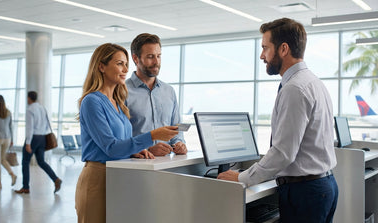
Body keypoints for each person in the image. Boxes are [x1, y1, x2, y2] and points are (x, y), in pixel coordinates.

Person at [217, 18, 338, 223]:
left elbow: (283, 152)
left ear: (283, 49)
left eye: (265, 48)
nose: (262, 55)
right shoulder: (312, 81)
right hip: (322, 185)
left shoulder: (295, 88)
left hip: (305, 192)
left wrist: (242, 177)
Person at [75, 43, 178, 223]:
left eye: (126, 64)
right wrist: (152, 136)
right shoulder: (92, 102)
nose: (125, 70)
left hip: (119, 176)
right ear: (101, 66)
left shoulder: (118, 103)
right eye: (119, 64)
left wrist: (133, 151)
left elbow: (121, 142)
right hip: (98, 179)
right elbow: (111, 147)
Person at [125, 33, 187, 156]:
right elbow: (120, 140)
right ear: (136, 58)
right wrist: (147, 150)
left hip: (167, 164)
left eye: (158, 56)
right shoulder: (122, 91)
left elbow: (176, 130)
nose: (156, 61)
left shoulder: (169, 91)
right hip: (136, 166)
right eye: (150, 57)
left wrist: (179, 143)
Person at [15, 91, 62, 194]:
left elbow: (29, 128)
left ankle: (26, 187)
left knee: (25, 162)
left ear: (29, 98)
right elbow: (46, 125)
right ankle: (56, 179)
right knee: (41, 161)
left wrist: (28, 143)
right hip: (42, 138)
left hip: (33, 138)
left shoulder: (30, 109)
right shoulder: (42, 108)